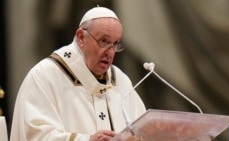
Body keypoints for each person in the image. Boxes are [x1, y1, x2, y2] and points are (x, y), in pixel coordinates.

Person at [10, 6, 146, 141]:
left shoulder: (121, 81)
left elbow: (143, 131)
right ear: (81, 37)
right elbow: (35, 135)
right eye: (104, 41)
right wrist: (87, 140)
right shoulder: (44, 76)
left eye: (115, 44)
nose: (110, 52)